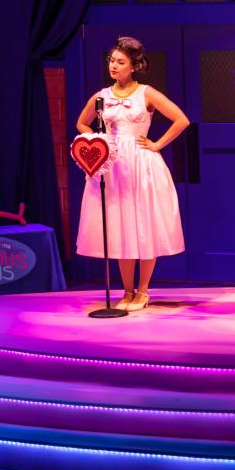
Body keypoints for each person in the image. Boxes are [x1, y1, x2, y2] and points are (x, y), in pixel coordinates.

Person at [76, 36, 189, 311]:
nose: (114, 66)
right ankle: (126, 290)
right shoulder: (102, 96)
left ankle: (143, 290)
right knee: (120, 225)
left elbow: (181, 119)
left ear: (133, 66)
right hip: (112, 165)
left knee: (143, 225)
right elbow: (81, 123)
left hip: (141, 163)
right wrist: (96, 141)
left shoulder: (146, 93)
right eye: (112, 61)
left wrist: (157, 144)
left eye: (120, 62)